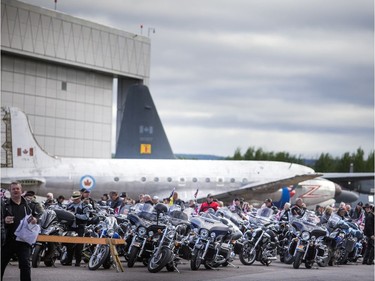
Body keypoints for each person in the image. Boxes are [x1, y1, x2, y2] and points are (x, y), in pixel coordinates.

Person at [1, 181, 38, 281]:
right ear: (10, 191)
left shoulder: (29, 205)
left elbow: (36, 216)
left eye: (17, 189)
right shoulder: (4, 205)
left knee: (25, 266)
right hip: (8, 240)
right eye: (13, 189)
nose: (15, 191)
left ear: (21, 191)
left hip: (23, 240)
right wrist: (4, 220)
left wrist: (35, 220)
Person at [63, 191, 91, 266]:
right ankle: (68, 261)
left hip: (80, 227)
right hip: (70, 227)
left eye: (76, 199)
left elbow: (86, 217)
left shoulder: (85, 206)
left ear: (79, 198)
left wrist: (75, 215)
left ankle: (77, 262)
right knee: (69, 244)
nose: (75, 200)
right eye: (74, 199)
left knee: (79, 246)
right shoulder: (69, 206)